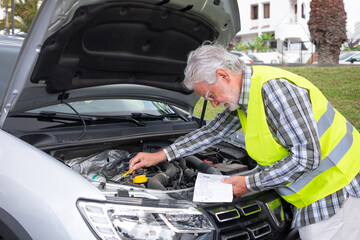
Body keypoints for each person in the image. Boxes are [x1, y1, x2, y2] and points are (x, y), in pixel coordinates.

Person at [129, 43, 360, 239]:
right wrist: (162, 155)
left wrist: (249, 184)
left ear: (223, 75)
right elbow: (212, 132)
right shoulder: (242, 97)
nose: (214, 104)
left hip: (337, 189)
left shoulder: (275, 91)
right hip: (311, 193)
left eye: (210, 95)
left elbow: (306, 156)